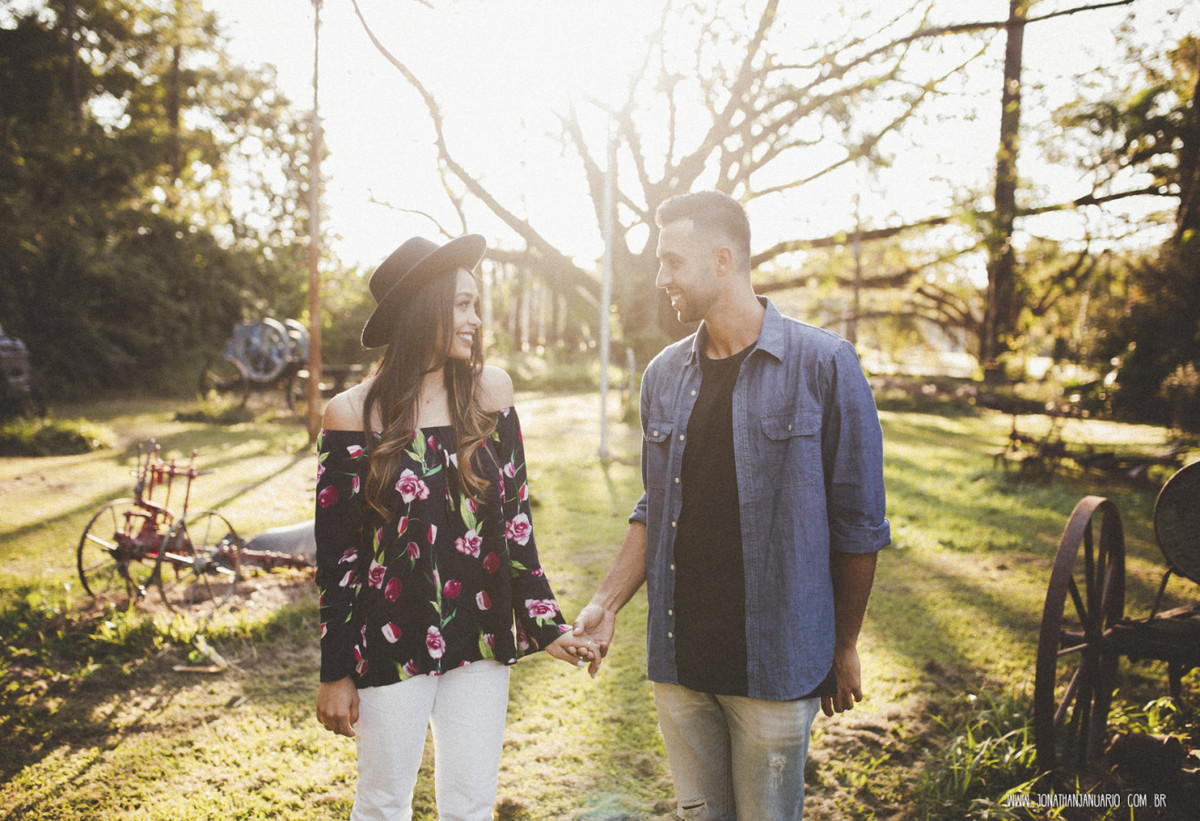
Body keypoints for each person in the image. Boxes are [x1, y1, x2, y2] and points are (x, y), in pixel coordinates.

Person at [573, 191, 890, 819]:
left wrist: (844, 643)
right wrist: (605, 603)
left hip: (775, 668)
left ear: (723, 260)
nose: (660, 277)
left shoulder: (824, 364)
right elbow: (653, 506)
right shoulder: (663, 375)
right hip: (679, 662)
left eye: (672, 262)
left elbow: (859, 525)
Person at [313, 234, 596, 821]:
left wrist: (545, 626)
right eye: (462, 305)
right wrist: (335, 672)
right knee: (384, 804)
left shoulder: (491, 395)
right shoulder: (351, 414)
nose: (475, 319)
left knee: (470, 803)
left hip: (481, 633)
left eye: (475, 304)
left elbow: (516, 523)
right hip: (389, 637)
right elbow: (338, 560)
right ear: (426, 311)